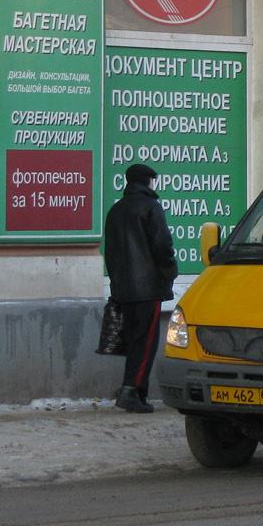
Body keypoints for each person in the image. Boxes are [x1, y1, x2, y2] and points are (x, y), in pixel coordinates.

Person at [104, 163, 178, 413]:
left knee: (135, 341)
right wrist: (170, 272)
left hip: (124, 288)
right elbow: (162, 245)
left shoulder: (116, 210)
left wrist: (116, 284)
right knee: (145, 342)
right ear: (148, 181)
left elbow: (111, 253)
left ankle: (134, 391)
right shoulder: (151, 207)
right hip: (147, 287)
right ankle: (132, 391)